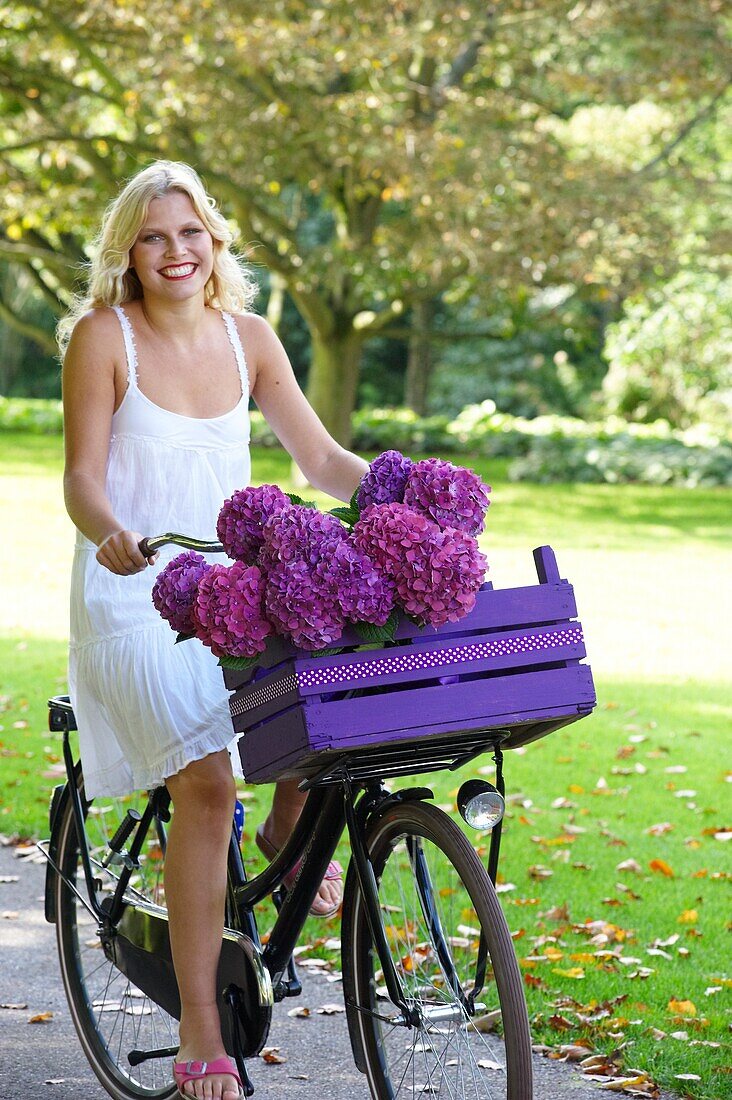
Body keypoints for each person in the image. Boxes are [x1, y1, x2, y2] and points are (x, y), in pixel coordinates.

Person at [59, 160, 368, 1100]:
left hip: (237, 591)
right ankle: (201, 1022)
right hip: (134, 594)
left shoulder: (253, 340)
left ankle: (283, 830)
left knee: (346, 701)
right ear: (129, 252)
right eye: (153, 237)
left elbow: (317, 459)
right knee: (205, 779)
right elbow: (80, 476)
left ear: (215, 242)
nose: (175, 251)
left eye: (189, 232)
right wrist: (110, 532)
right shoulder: (102, 338)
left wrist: (405, 496)